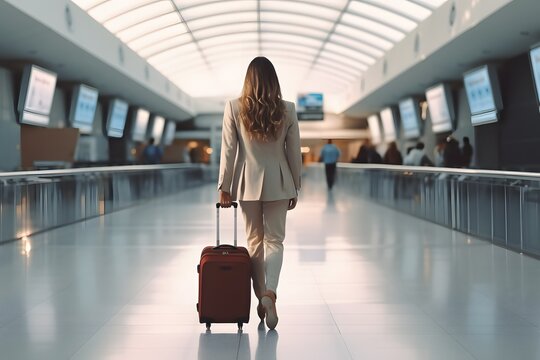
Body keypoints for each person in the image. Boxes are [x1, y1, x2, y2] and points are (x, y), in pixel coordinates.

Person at [217, 57, 302, 330]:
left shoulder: (234, 107)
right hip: (279, 181)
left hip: (247, 183)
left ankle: (262, 294)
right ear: (274, 80)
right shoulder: (287, 109)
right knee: (275, 240)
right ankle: (270, 294)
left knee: (254, 241)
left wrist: (224, 187)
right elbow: (294, 152)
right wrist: (295, 184)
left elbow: (229, 150)